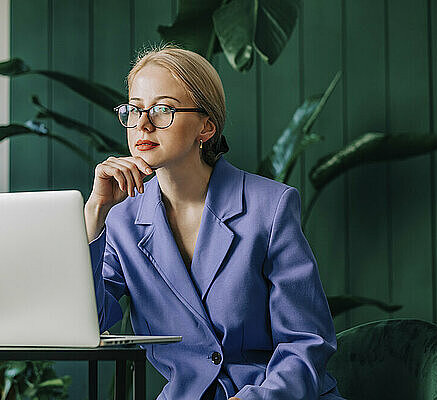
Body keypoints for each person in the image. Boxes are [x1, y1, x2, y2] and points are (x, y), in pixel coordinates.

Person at [84, 43, 344, 400]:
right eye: (134, 109)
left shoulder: (270, 206)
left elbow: (307, 343)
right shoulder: (122, 219)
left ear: (206, 127)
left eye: (163, 110)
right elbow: (90, 323)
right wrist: (95, 213)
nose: (142, 124)